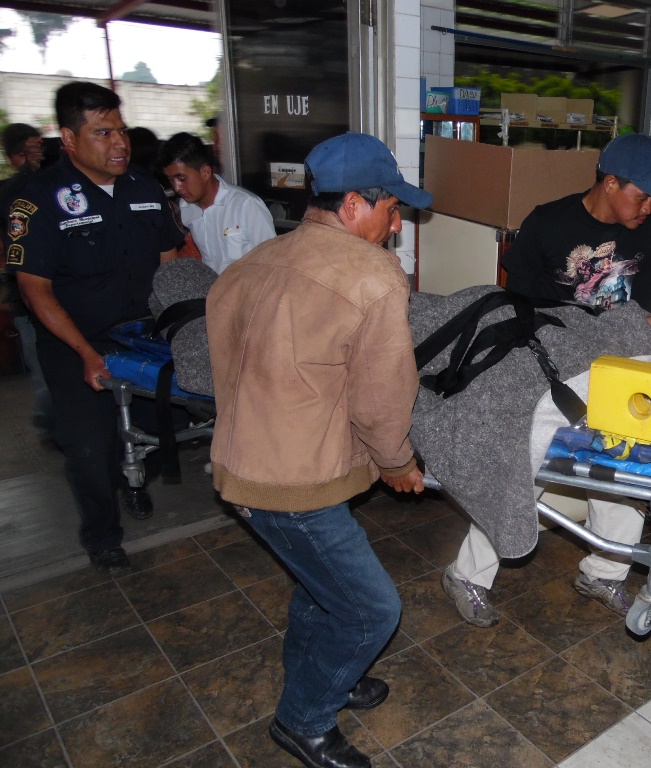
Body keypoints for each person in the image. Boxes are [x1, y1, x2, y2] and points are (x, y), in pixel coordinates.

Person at [205, 132, 432, 768]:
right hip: (291, 481)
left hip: (244, 462)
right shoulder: (373, 276)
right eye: (393, 212)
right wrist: (398, 463)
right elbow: (382, 397)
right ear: (358, 203)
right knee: (370, 609)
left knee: (320, 585)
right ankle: (303, 720)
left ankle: (337, 675)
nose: (396, 228)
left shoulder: (253, 263)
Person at [410, 285, 651, 627]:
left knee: (630, 478)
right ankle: (466, 576)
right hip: (535, 390)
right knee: (511, 479)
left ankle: (603, 573)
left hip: (595, 404)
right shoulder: (627, 326)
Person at [8, 82, 182, 574]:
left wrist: (178, 327)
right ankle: (102, 535)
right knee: (88, 446)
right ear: (69, 137)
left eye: (121, 131)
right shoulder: (38, 201)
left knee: (166, 422)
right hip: (75, 342)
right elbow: (34, 290)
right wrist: (86, 354)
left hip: (145, 337)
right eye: (102, 133)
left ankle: (134, 478)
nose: (119, 143)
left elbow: (170, 261)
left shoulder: (145, 186)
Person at [501, 132, 651, 311]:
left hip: (617, 340)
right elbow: (514, 305)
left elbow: (642, 312)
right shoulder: (546, 223)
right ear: (610, 183)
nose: (648, 208)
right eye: (643, 197)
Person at [158, 132, 276, 274]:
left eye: (181, 179)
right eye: (171, 180)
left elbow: (273, 261)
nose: (177, 188)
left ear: (205, 172)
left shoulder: (246, 205)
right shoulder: (184, 209)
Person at [1, 122, 53, 443]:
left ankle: (53, 422)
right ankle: (52, 423)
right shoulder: (10, 191)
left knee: (43, 367)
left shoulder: (48, 183)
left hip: (40, 294)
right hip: (33, 296)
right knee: (43, 366)